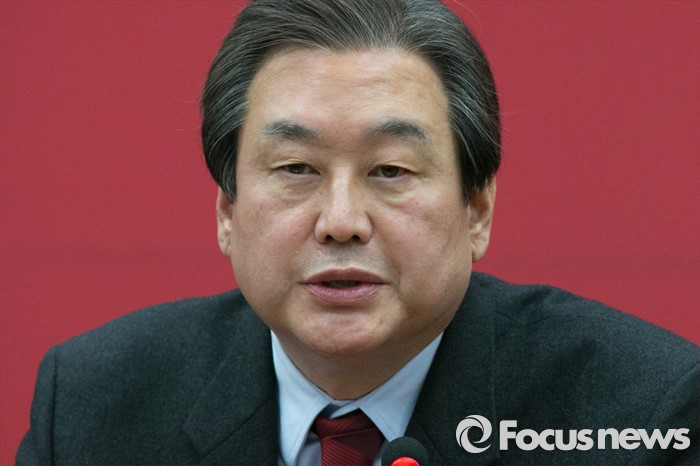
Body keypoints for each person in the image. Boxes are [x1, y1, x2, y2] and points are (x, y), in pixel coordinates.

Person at [17, 0, 698, 465]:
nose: (341, 222)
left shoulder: (642, 413)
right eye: (297, 169)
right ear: (227, 212)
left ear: (477, 211)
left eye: (390, 170)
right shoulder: (93, 407)